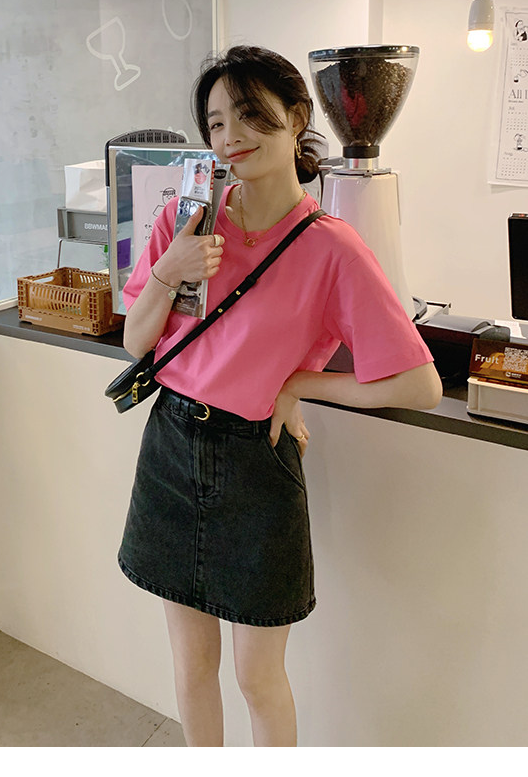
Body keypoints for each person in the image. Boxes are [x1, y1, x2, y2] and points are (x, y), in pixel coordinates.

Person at [118, 45, 442, 747]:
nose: (230, 136)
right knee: (191, 663)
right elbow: (135, 342)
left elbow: (418, 383)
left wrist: (297, 383)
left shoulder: (333, 249)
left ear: (297, 118)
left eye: (248, 115)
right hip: (170, 444)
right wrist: (171, 270)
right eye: (215, 123)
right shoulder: (186, 219)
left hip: (254, 466)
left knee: (257, 678)